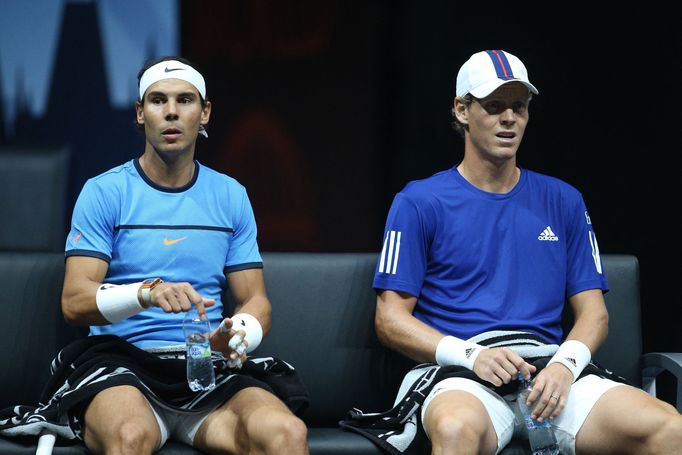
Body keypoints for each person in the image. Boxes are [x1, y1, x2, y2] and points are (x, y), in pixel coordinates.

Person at [371, 50, 682, 454]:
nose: (508, 118)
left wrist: (565, 366)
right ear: (462, 110)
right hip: (461, 374)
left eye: (518, 107)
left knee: (669, 428)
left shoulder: (563, 200)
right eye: (493, 106)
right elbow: (390, 319)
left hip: (547, 371)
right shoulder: (419, 201)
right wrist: (471, 355)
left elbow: (594, 313)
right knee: (455, 429)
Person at [60, 56, 309, 455]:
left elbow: (256, 301)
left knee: (287, 434)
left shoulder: (231, 195)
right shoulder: (104, 192)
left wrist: (240, 332)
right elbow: (74, 302)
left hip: (206, 366)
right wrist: (145, 293)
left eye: (185, 100)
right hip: (123, 367)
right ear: (141, 114)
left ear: (205, 112)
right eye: (158, 100)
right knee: (130, 437)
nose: (172, 111)